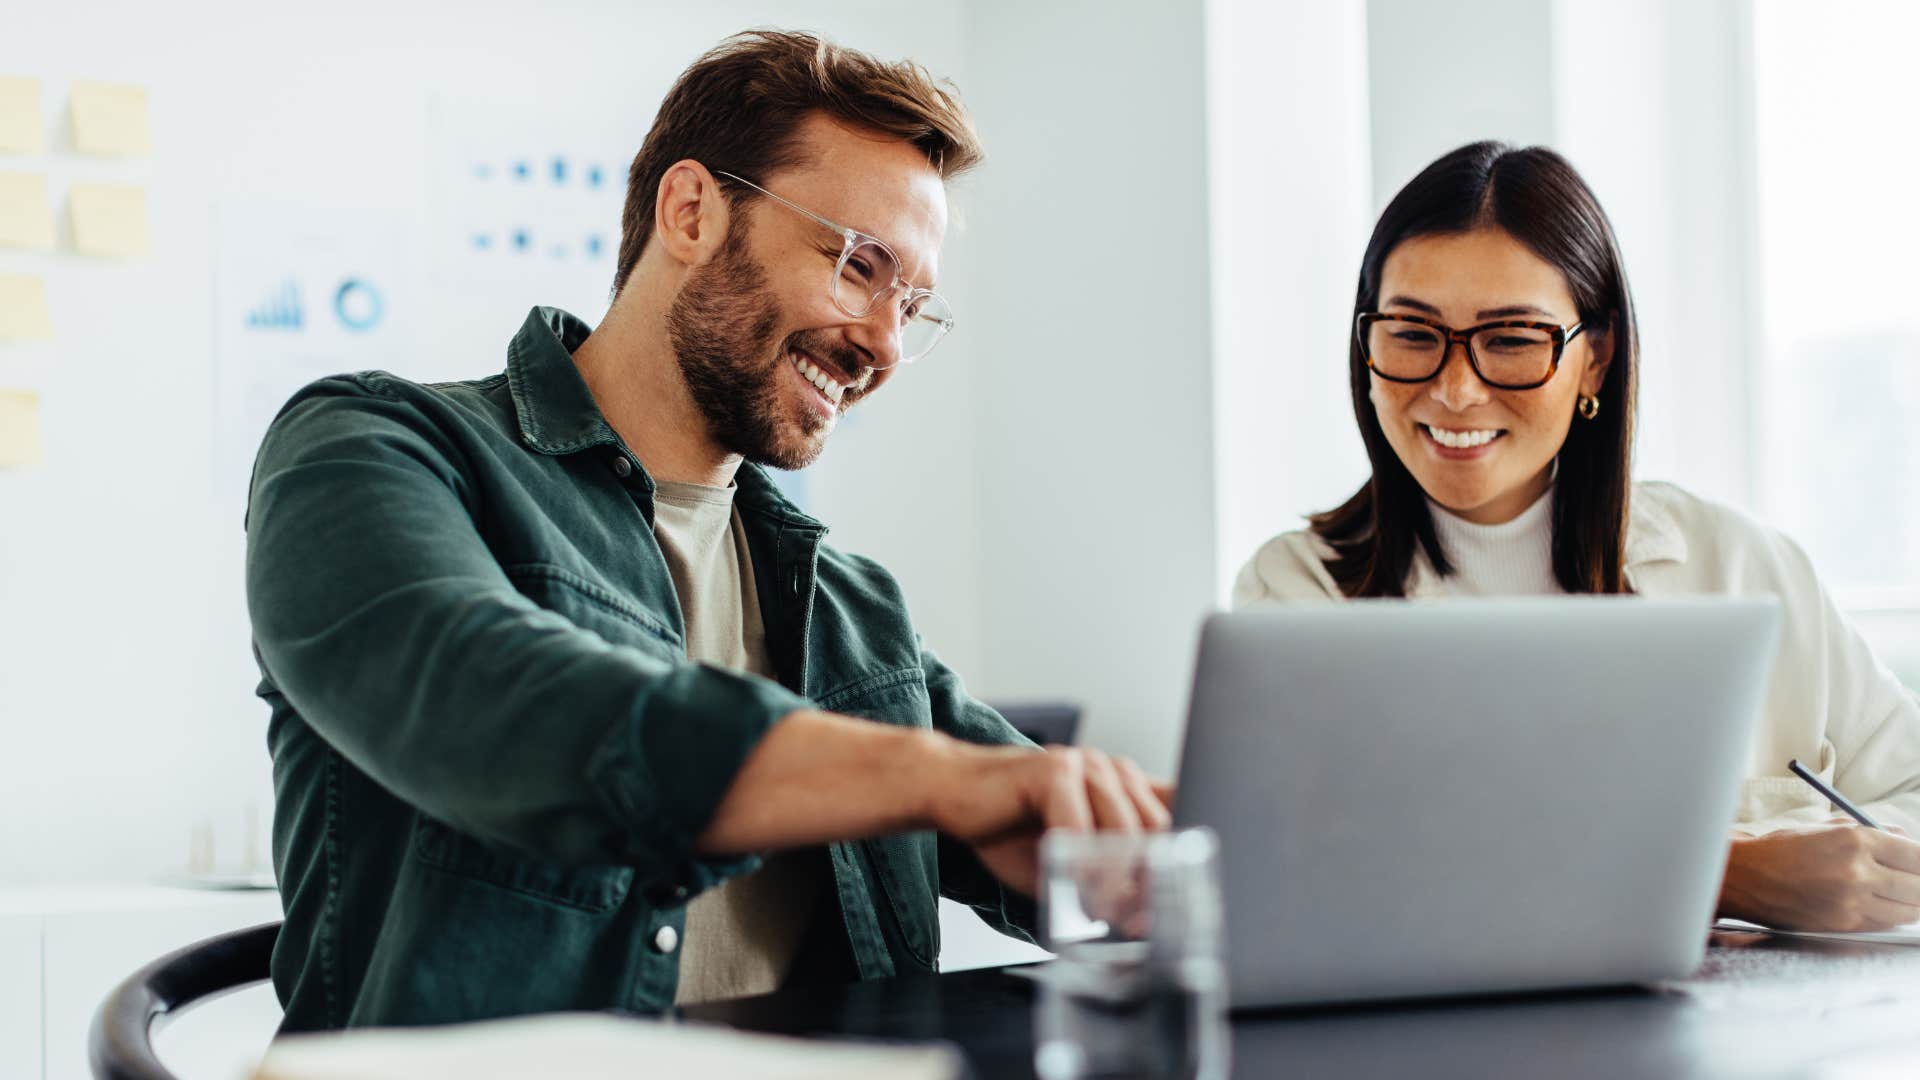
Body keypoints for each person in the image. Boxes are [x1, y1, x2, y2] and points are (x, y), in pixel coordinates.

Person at [247, 30, 1168, 1031]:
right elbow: (498, 697)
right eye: (859, 266)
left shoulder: (854, 609)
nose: (882, 344)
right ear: (691, 212)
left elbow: (1034, 810)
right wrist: (940, 779)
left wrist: (1156, 848)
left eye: (911, 306)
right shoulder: (374, 447)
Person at [1234, 141, 1920, 935]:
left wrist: (1843, 867)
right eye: (1413, 334)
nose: (1455, 390)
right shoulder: (1296, 595)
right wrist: (1721, 873)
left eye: (1511, 340)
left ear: (1595, 360)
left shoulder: (1741, 566)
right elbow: (1307, 877)